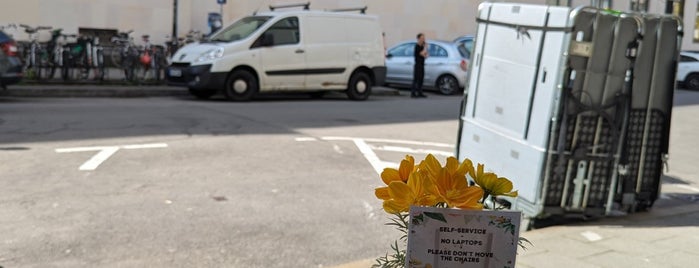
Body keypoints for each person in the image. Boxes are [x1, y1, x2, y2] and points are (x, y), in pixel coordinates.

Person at [411, 33, 428, 98]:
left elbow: (426, 55)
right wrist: (425, 48)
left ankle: (420, 92)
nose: (423, 39)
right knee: (416, 79)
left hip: (422, 64)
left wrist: (425, 51)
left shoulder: (422, 47)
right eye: (422, 38)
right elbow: (422, 53)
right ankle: (413, 93)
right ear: (418, 39)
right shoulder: (417, 46)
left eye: (423, 38)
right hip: (417, 65)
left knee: (421, 79)